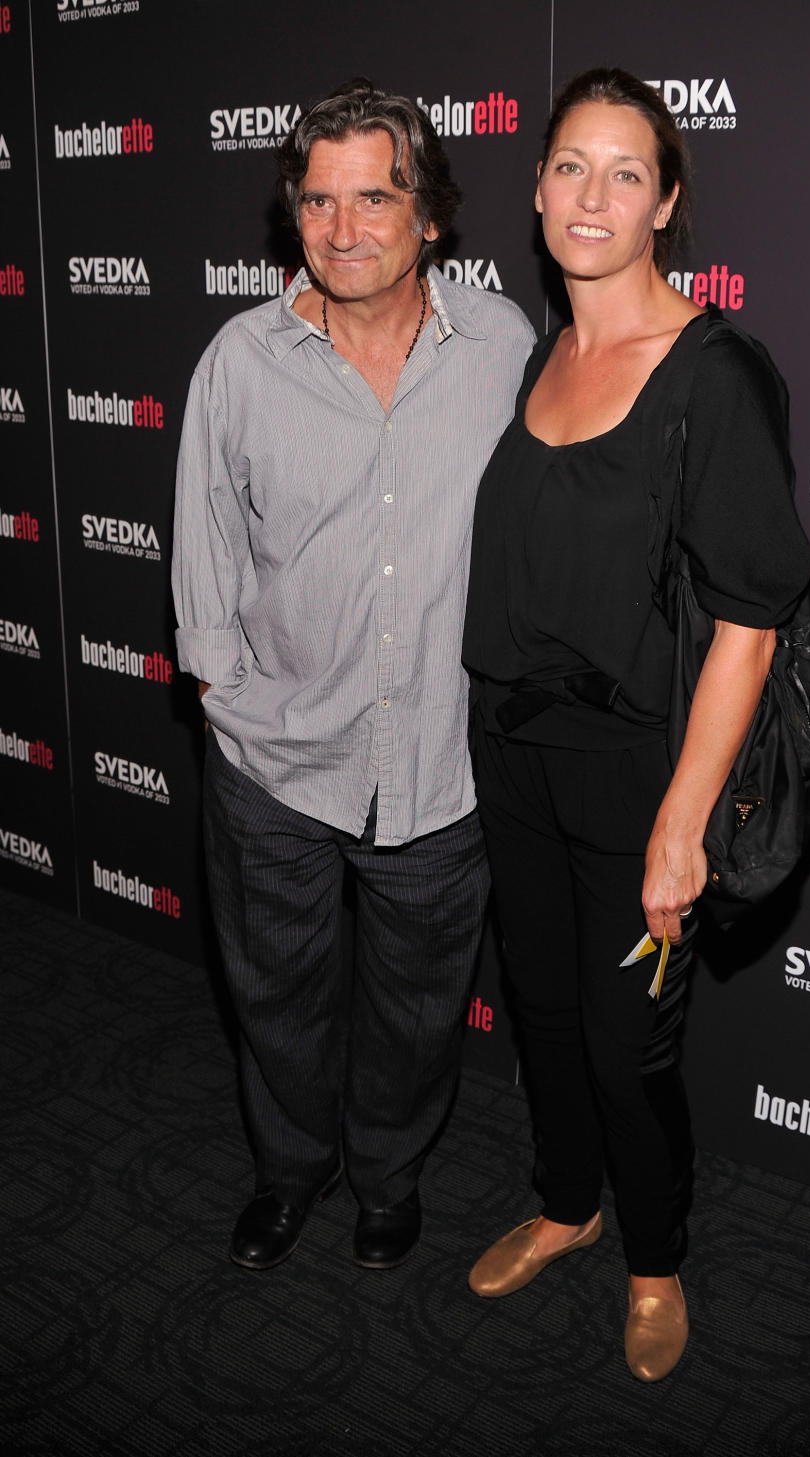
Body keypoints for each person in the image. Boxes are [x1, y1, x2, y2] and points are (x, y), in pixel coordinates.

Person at [461, 68, 810, 1380]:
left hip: (636, 776)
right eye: (566, 165)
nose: (589, 195)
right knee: (541, 1012)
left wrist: (682, 826)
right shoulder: (541, 345)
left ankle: (654, 1260)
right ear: (538, 186)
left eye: (623, 171)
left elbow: (748, 620)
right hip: (511, 754)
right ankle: (566, 1205)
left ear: (667, 201)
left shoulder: (716, 373)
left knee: (626, 1043)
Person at [172, 79, 535, 1274]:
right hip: (274, 762)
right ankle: (290, 1171)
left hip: (438, 762)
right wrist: (222, 693)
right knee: (273, 996)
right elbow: (207, 543)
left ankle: (387, 1173)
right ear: (295, 215)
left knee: (418, 1010)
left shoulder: (506, 351)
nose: (343, 228)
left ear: (428, 213)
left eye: (374, 197)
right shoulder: (239, 360)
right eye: (318, 201)